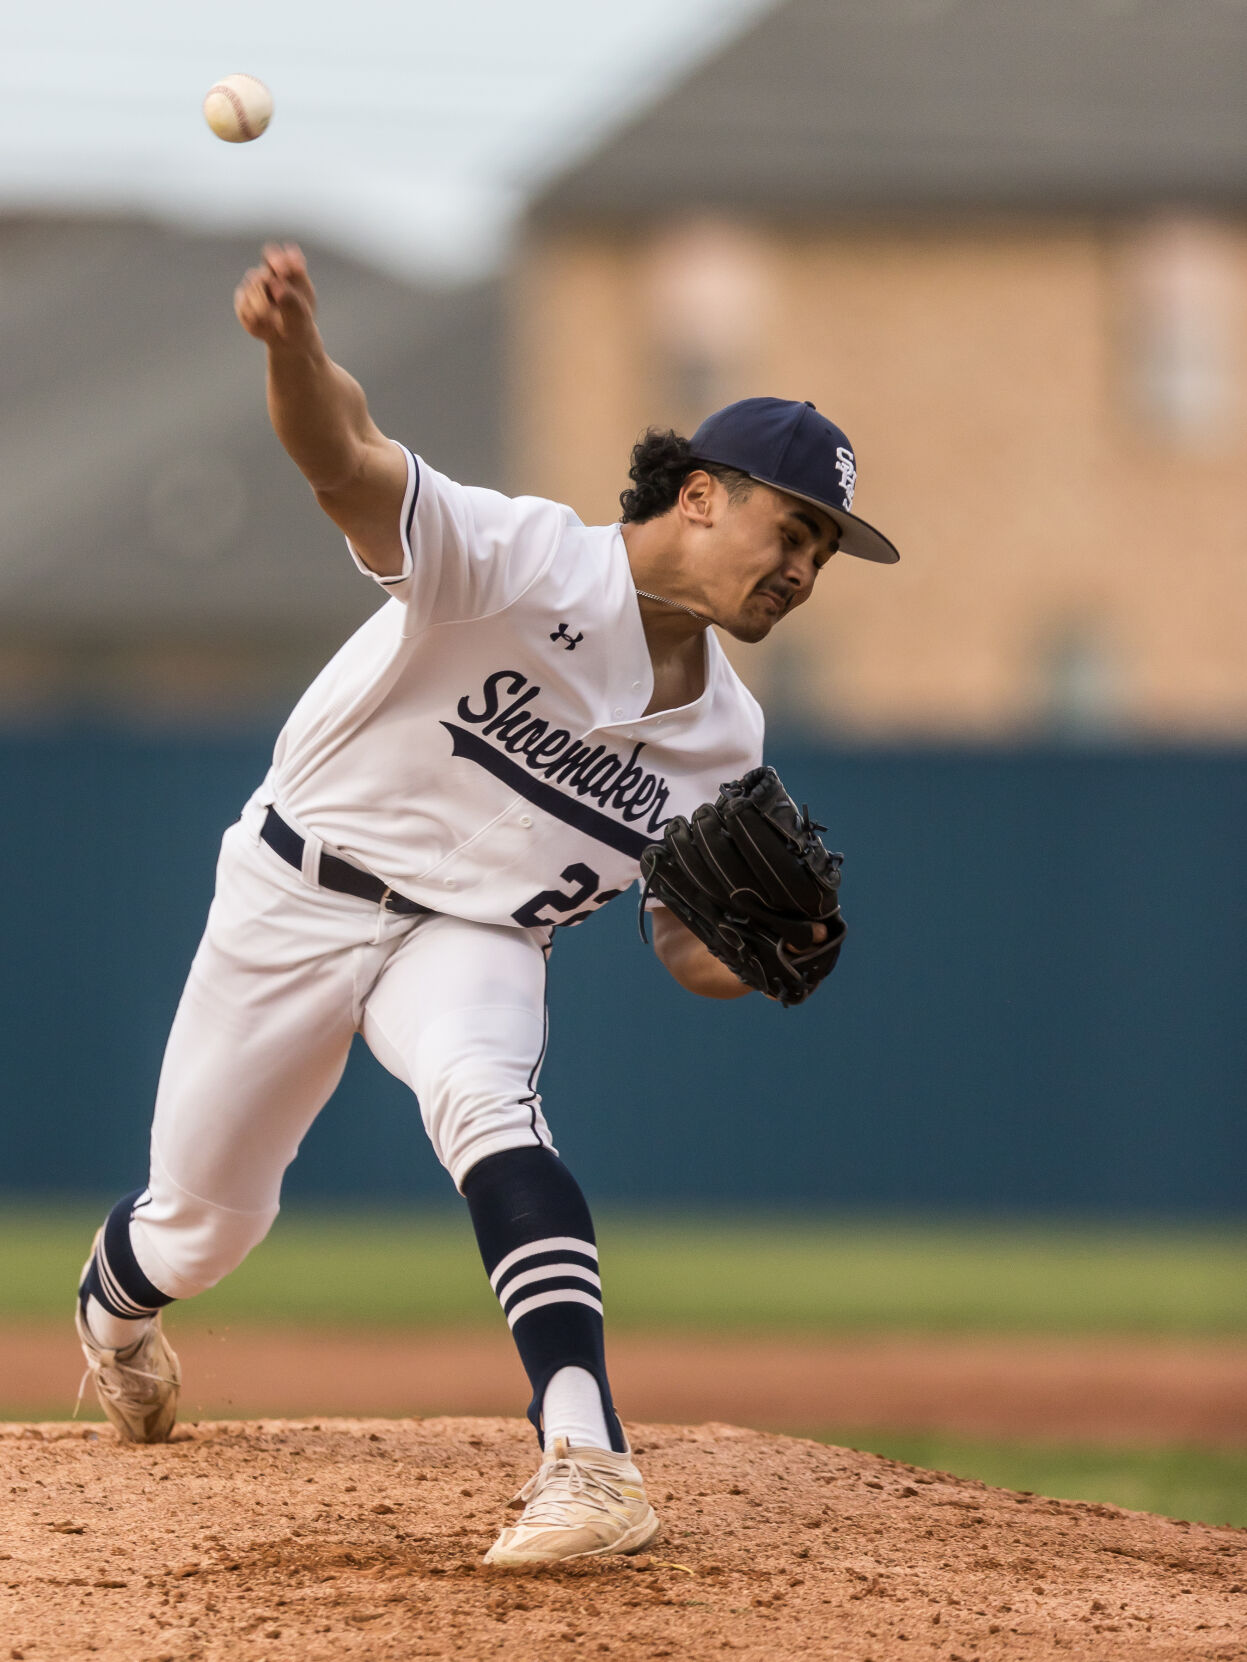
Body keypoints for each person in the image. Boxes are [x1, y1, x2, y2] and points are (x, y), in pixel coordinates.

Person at [74, 243, 899, 1566]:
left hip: (476, 935)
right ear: (699, 495)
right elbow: (346, 461)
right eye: (790, 528)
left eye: (823, 549)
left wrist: (747, 959)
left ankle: (588, 1456)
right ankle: (115, 1321)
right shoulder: (524, 562)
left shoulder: (726, 742)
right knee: (206, 1220)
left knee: (487, 1103)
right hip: (295, 887)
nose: (805, 565)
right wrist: (291, 347)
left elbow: (683, 939)